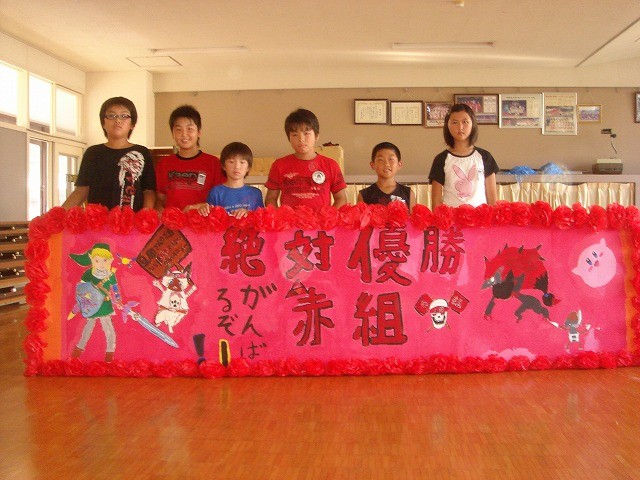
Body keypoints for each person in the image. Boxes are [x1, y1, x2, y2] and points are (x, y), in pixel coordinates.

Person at [62, 96, 156, 211]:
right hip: (97, 219)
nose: (118, 120)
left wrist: (145, 215)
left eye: (124, 116)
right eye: (112, 116)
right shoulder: (93, 153)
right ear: (103, 123)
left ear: (132, 124)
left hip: (131, 219)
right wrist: (58, 214)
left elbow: (149, 191)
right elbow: (81, 190)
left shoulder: (142, 153)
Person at [264, 108, 347, 209]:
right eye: (295, 135)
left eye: (306, 133)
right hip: (289, 219)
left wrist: (328, 217)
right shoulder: (279, 165)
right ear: (289, 138)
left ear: (316, 136)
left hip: (322, 219)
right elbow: (271, 198)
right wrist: (279, 217)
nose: (301, 139)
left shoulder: (331, 165)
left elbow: (341, 199)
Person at [154, 105, 225, 212]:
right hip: (172, 221)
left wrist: (200, 207)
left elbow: (222, 200)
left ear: (199, 132)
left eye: (190, 129)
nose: (184, 134)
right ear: (173, 134)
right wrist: (159, 210)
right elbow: (160, 199)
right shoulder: (164, 164)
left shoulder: (213, 163)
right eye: (178, 130)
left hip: (203, 221)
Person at [428, 103, 499, 209]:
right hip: (451, 218)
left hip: (480, 217)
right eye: (454, 122)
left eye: (465, 122)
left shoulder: (485, 157)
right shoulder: (441, 159)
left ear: (472, 124)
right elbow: (436, 203)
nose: (460, 127)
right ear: (448, 126)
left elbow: (492, 200)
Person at [198, 142, 264, 218]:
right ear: (223, 166)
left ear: (248, 167)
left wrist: (248, 214)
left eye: (242, 162)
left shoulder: (255, 193)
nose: (237, 167)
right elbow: (210, 219)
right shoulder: (216, 192)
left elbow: (262, 219)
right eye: (231, 162)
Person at [357, 141, 416, 210]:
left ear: (399, 164)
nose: (386, 164)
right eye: (381, 160)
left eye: (391, 159)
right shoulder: (364, 195)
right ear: (373, 165)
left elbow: (413, 216)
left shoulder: (408, 194)